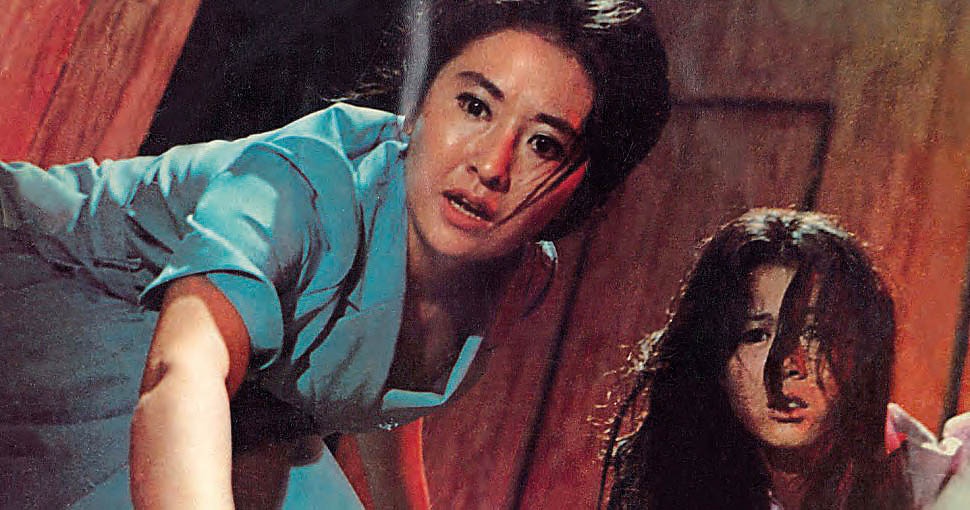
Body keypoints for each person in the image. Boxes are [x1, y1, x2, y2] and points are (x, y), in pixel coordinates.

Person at [0, 0, 671, 508]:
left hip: (224, 397)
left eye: (543, 145)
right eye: (474, 106)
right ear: (418, 102)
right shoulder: (301, 185)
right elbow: (183, 373)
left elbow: (375, 370)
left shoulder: (516, 277)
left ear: (585, 185)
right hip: (46, 298)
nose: (491, 165)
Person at [602, 208, 970, 510]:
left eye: (813, 332)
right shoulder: (676, 483)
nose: (787, 364)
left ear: (859, 349)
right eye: (755, 335)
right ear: (714, 361)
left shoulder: (940, 482)